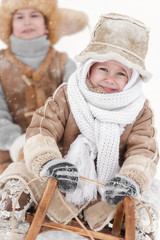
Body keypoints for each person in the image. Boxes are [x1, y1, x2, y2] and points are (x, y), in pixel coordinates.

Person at [0, 13, 159, 240]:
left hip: (108, 192)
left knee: (146, 206)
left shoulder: (138, 109)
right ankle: (9, 230)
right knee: (15, 179)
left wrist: (131, 178)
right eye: (103, 69)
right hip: (57, 182)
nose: (110, 78)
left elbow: (144, 151)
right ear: (89, 68)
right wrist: (49, 161)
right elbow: (42, 129)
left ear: (132, 79)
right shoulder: (69, 94)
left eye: (121, 73)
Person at [0, 0, 88, 173]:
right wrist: (18, 143)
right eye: (19, 17)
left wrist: (51, 143)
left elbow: (77, 108)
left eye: (34, 15)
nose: (27, 21)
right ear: (10, 26)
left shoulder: (64, 64)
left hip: (58, 153)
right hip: (7, 158)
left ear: (47, 26)